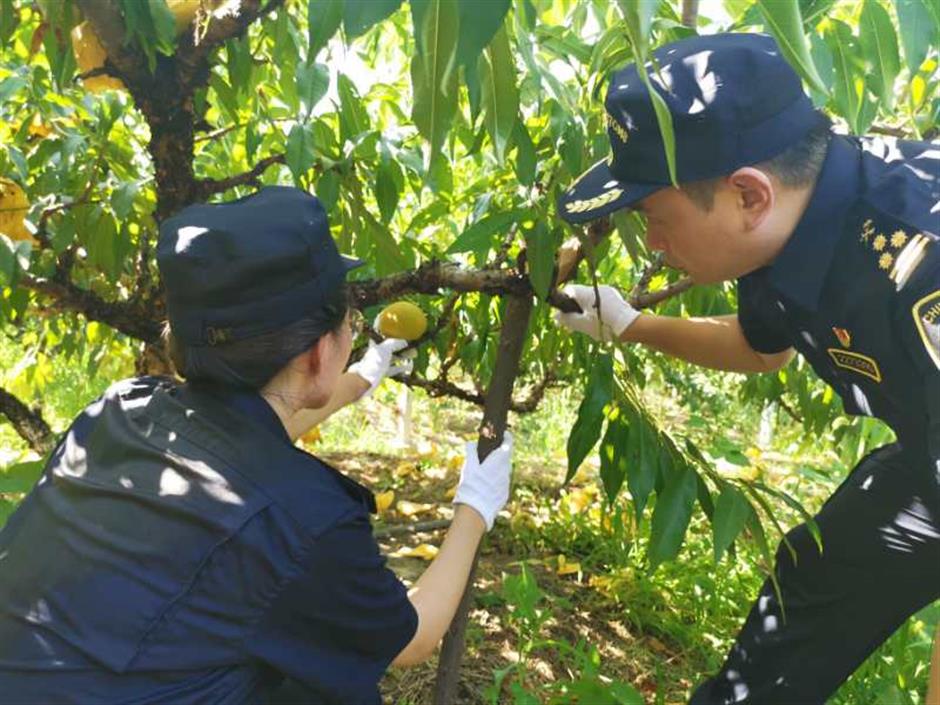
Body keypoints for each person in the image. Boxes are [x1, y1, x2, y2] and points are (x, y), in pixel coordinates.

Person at [0, 186, 513, 703]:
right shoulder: (306, 523)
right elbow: (414, 635)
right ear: (317, 353)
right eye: (349, 324)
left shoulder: (122, 408)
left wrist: (363, 375)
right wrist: (475, 506)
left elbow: (242, 440)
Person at [552, 32, 939, 703]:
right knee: (813, 582)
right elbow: (765, 345)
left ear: (749, 196)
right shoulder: (791, 224)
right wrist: (630, 323)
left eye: (654, 215)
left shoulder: (919, 259)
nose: (653, 242)